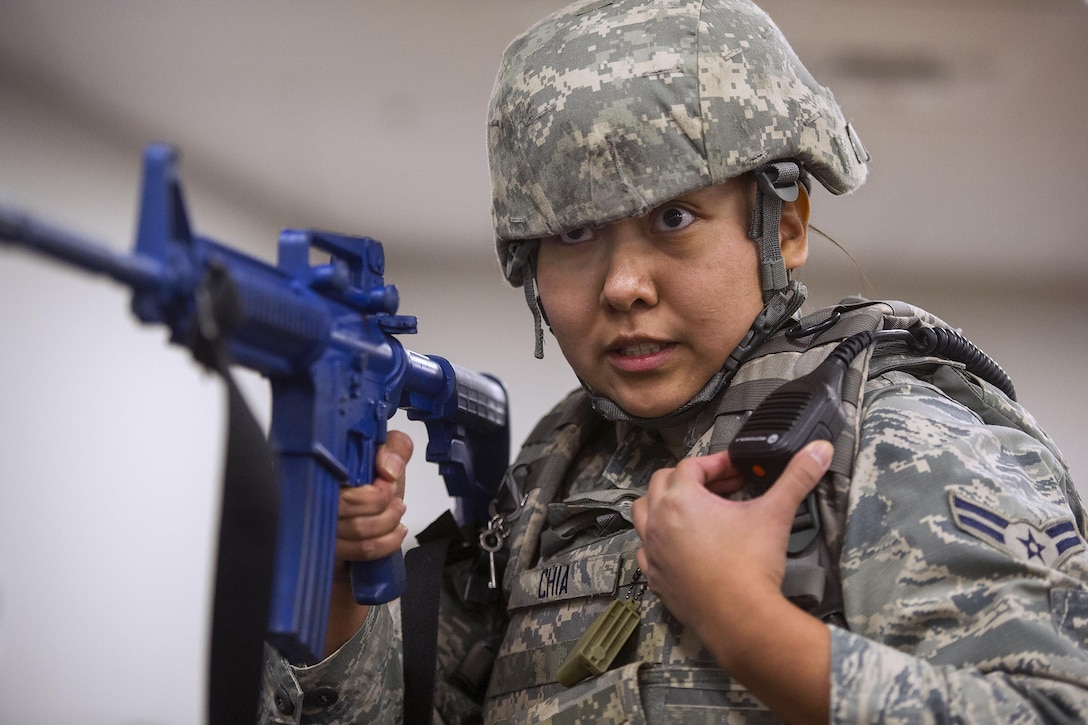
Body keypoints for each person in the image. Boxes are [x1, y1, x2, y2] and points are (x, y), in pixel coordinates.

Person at [259, 0, 1088, 722]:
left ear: (785, 225)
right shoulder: (553, 472)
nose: (622, 286)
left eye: (674, 220)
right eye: (574, 235)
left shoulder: (899, 435)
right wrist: (342, 585)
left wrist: (743, 622)